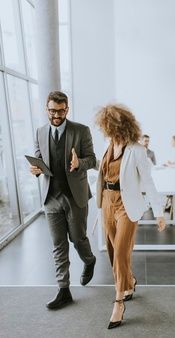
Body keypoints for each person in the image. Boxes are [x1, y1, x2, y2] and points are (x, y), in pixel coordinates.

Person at [95, 104, 166, 329]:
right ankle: (130, 281)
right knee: (113, 251)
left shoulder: (136, 150)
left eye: (108, 126)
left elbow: (148, 182)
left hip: (127, 206)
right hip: (107, 201)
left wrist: (159, 212)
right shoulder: (107, 146)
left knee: (121, 252)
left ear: (120, 125)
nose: (106, 131)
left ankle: (118, 303)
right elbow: (103, 174)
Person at [30, 91, 96, 309]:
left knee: (78, 239)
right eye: (52, 110)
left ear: (67, 109)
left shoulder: (81, 130)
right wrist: (36, 169)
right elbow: (39, 159)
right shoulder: (40, 132)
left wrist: (79, 164)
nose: (56, 114)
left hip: (75, 196)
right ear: (46, 109)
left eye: (60, 110)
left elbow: (92, 160)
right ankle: (63, 289)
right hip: (51, 198)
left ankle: (89, 260)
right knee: (58, 245)